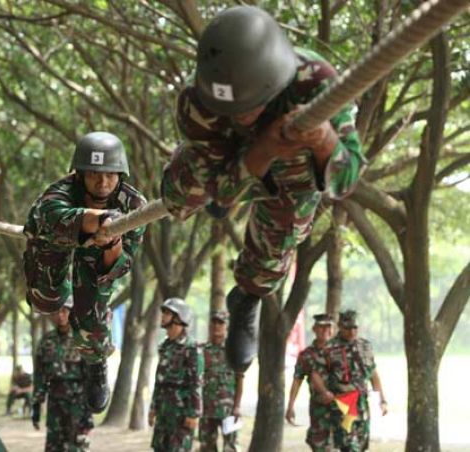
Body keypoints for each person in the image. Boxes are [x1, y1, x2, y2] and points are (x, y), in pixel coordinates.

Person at [160, 5, 365, 372]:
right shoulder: (197, 102)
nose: (239, 114)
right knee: (180, 194)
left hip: (291, 171)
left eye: (249, 105)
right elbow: (220, 189)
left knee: (283, 232)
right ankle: (202, 186)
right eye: (231, 107)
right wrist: (265, 146)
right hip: (227, 163)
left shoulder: (315, 82)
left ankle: (248, 297)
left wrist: (323, 141)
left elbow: (348, 179)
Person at [24, 131, 146, 412]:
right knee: (46, 300)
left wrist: (113, 240)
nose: (103, 183)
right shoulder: (60, 191)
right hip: (54, 240)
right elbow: (49, 216)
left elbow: (123, 264)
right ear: (79, 174)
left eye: (110, 175)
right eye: (94, 175)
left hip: (100, 254)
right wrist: (98, 220)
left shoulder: (134, 206)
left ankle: (96, 362)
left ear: (121, 175)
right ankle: (54, 291)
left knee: (90, 317)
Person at [311, 310, 388, 451]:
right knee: (349, 445)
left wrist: (382, 400)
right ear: (340, 326)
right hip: (343, 404)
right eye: (348, 328)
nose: (352, 332)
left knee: (361, 445)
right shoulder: (329, 348)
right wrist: (325, 392)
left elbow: (373, 374)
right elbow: (315, 375)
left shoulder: (365, 346)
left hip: (362, 404)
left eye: (355, 328)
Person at [32, 297, 93, 451]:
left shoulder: (82, 339)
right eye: (57, 312)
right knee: (54, 446)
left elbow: (91, 377)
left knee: (77, 447)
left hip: (77, 402)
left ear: (71, 313)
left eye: (64, 311)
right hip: (55, 402)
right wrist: (36, 406)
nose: (60, 315)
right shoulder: (46, 341)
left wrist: (88, 411)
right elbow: (40, 376)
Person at [149, 298, 204, 452]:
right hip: (164, 412)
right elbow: (159, 381)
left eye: (167, 313)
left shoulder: (191, 348)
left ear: (179, 317)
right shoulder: (165, 347)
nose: (162, 316)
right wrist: (153, 407)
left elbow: (196, 383)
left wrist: (194, 414)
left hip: (181, 415)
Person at [285, 313, 335, 451]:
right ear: (314, 329)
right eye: (322, 327)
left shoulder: (341, 351)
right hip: (319, 408)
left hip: (341, 408)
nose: (325, 330)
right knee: (319, 446)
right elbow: (297, 380)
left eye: (328, 327)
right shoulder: (307, 355)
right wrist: (290, 405)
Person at [199, 310, 242, 452]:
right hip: (206, 410)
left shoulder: (233, 351)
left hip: (228, 410)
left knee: (230, 448)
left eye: (221, 323)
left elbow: (239, 379)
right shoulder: (202, 351)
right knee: (206, 447)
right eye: (214, 323)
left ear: (227, 326)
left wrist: (237, 406)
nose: (217, 326)